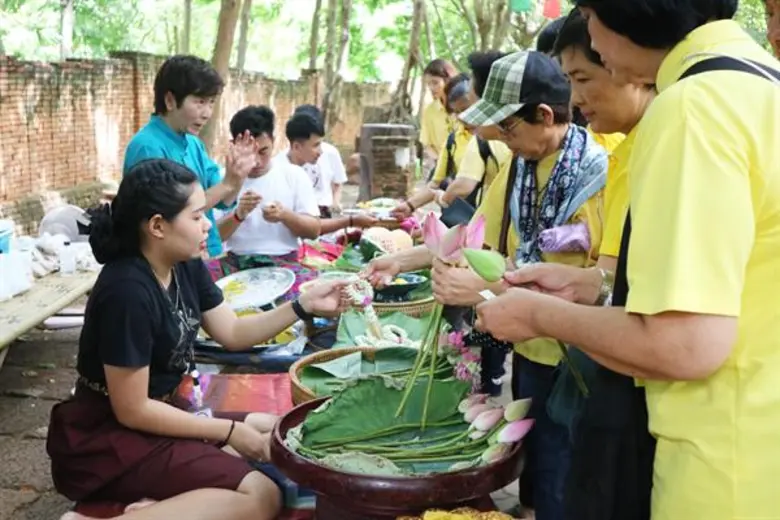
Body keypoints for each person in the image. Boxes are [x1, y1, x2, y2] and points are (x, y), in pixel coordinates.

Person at [474, 2, 780, 519]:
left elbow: (684, 343)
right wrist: (594, 287)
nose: (590, 33)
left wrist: (537, 314)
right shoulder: (758, 80)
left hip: (721, 468)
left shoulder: (693, 106)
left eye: (589, 13)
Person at [371, 51, 609, 520]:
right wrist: (400, 260)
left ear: (543, 115)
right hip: (528, 348)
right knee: (536, 468)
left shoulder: (600, 173)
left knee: (569, 473)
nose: (502, 139)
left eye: (509, 128)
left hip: (581, 356)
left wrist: (481, 290)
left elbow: (600, 287)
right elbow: (468, 238)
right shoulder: (519, 169)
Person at [47, 159, 347, 520]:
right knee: (262, 496)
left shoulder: (183, 263)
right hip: (107, 439)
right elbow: (133, 409)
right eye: (197, 215)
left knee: (273, 427)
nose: (208, 224)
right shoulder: (126, 291)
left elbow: (233, 333)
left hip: (165, 412)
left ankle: (157, 507)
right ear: (157, 226)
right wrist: (229, 431)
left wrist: (304, 305)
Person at [544, 9, 657, 520]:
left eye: (584, 77)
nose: (576, 100)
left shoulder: (662, 146)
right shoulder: (628, 151)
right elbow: (612, 278)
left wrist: (537, 312)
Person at [212, 107, 373, 292]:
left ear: (273, 141)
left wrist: (285, 216)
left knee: (317, 291)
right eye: (249, 152)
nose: (256, 161)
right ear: (235, 145)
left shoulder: (293, 175)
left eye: (263, 151)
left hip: (283, 263)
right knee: (199, 281)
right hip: (236, 263)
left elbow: (313, 230)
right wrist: (238, 215)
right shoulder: (224, 180)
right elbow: (212, 238)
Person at [123, 55, 255, 259]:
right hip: (173, 263)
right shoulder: (147, 147)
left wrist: (237, 175)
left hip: (205, 252)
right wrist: (227, 184)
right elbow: (171, 216)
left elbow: (223, 200)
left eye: (211, 103)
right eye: (200, 102)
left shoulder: (193, 143)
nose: (207, 113)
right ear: (169, 100)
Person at [392, 73, 477, 219]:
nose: (462, 117)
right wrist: (409, 206)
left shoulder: (496, 138)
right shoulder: (453, 141)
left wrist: (444, 198)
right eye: (457, 112)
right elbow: (435, 184)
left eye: (466, 110)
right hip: (464, 221)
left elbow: (464, 185)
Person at [287, 104, 348, 217]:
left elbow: (338, 182)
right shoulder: (282, 165)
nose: (320, 151)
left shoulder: (330, 152)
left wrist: (335, 203)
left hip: (323, 212)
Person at [419, 59, 459, 168]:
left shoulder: (464, 106)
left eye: (435, 82)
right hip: (441, 166)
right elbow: (427, 144)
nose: (431, 88)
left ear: (448, 80)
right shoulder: (429, 111)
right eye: (428, 84)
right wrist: (441, 162)